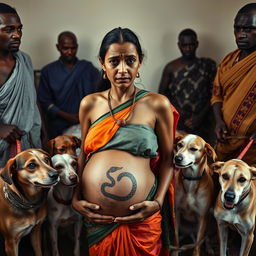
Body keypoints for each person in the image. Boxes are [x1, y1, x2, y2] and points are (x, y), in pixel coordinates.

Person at [72, 27, 179, 255]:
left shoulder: (157, 104)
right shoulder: (89, 104)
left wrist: (158, 203)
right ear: (102, 63)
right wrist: (75, 198)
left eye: (130, 60)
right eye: (114, 61)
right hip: (99, 222)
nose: (123, 69)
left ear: (139, 62)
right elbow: (83, 155)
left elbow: (169, 159)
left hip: (142, 222)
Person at [211, 3, 256, 165]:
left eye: (248, 29)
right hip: (225, 140)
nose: (240, 35)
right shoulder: (228, 60)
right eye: (237, 29)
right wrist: (218, 122)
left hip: (251, 145)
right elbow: (217, 95)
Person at [0, 3, 41, 167]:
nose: (17, 35)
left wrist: (42, 130)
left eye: (19, 29)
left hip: (26, 145)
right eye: (9, 29)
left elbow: (32, 100)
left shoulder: (24, 61)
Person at [38, 31, 100, 139]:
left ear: (77, 47)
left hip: (87, 122)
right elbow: (44, 101)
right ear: (58, 47)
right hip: (59, 125)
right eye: (65, 48)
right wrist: (68, 116)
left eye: (73, 48)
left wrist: (83, 116)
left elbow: (100, 93)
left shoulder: (87, 68)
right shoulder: (48, 71)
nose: (70, 52)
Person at [159, 28, 216, 143]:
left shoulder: (207, 65)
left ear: (197, 44)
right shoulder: (171, 67)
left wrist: (199, 117)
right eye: (184, 45)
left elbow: (215, 94)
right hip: (178, 120)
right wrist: (179, 113)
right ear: (179, 45)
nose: (188, 48)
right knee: (178, 153)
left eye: (191, 45)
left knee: (202, 154)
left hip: (203, 121)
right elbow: (162, 95)